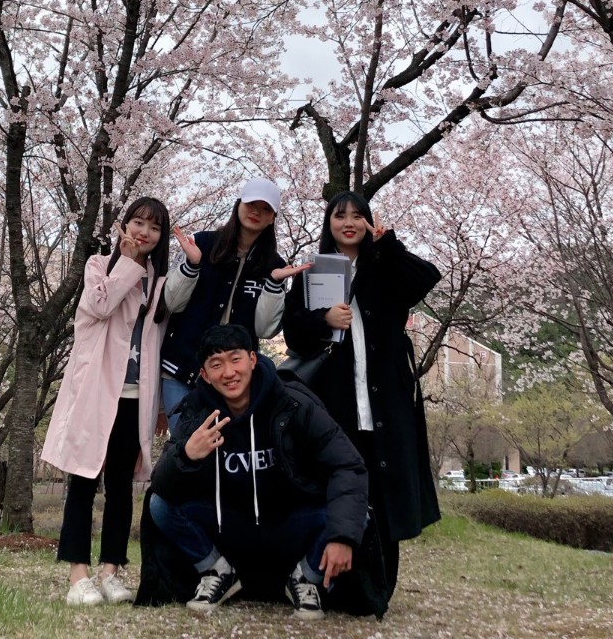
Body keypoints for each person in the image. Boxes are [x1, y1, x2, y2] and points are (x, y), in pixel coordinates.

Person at [145, 324, 373, 621]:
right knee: (159, 505)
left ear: (252, 360)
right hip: (230, 524)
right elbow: (162, 484)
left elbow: (347, 466)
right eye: (216, 365)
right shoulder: (197, 413)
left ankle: (306, 578)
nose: (228, 373)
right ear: (204, 375)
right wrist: (186, 454)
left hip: (290, 521)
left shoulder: (293, 403)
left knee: (357, 515)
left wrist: (342, 537)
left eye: (235, 359)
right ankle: (217, 571)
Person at [282, 190, 442, 602]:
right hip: (335, 401)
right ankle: (335, 585)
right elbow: (293, 334)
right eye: (339, 216)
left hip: (385, 399)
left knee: (384, 496)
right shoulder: (315, 271)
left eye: (357, 215)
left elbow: (425, 278)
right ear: (328, 223)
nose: (348, 222)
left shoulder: (384, 265)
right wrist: (324, 319)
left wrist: (388, 244)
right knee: (338, 491)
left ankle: (379, 587)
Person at [41, 197, 171, 607]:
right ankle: (78, 575)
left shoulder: (161, 280)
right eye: (137, 222)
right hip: (98, 394)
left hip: (136, 399)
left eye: (153, 227)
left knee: (120, 488)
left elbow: (160, 344)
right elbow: (99, 305)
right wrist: (128, 264)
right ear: (123, 225)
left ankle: (110, 570)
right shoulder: (100, 265)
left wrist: (162, 404)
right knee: (82, 481)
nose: (143, 233)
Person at [160, 177, 310, 430]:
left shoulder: (275, 265)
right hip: (183, 368)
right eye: (251, 204)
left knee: (229, 455)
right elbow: (171, 303)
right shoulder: (202, 244)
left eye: (265, 209)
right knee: (186, 449)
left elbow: (264, 330)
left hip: (235, 381)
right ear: (238, 204)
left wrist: (274, 284)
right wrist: (192, 266)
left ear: (272, 217)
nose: (256, 212)